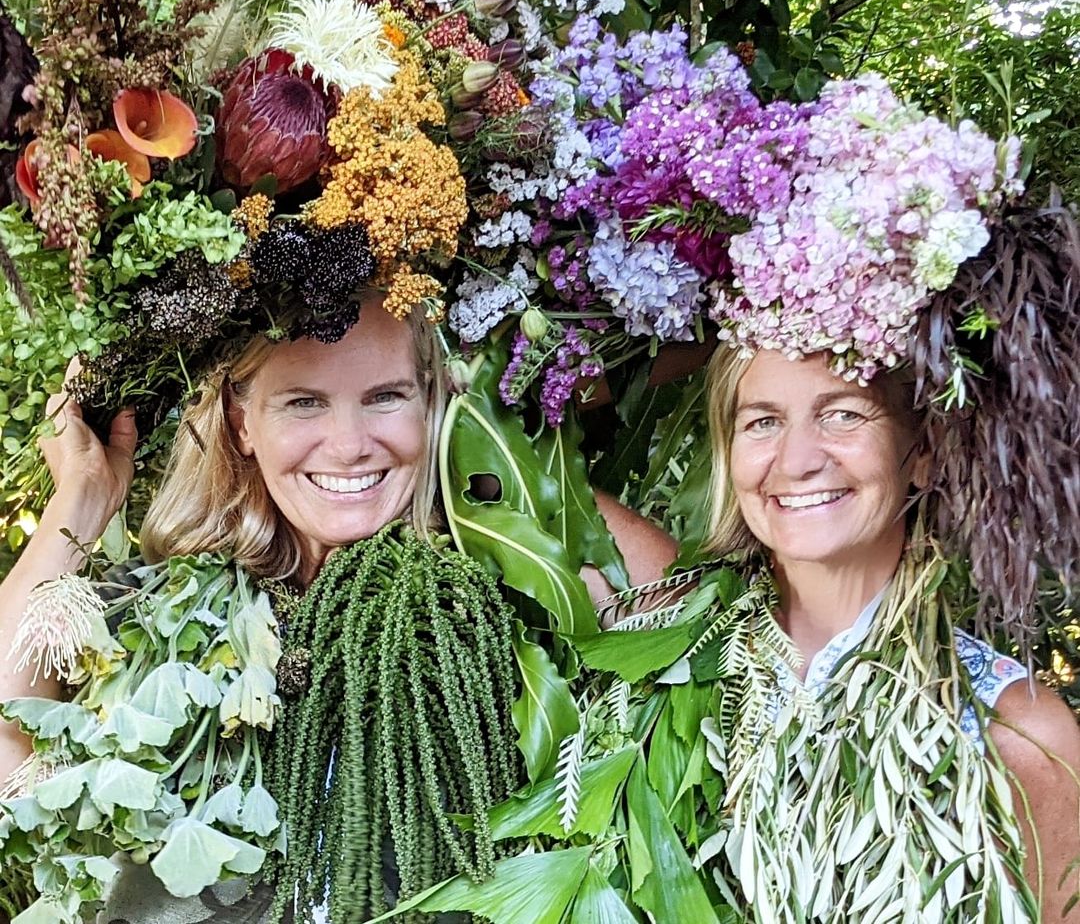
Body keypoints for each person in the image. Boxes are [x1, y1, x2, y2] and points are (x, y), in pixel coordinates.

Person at [0, 292, 675, 920]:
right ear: (241, 423)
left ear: (436, 402)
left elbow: (686, 614)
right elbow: (9, 756)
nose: (349, 445)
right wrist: (83, 494)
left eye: (386, 397)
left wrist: (505, 478)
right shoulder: (166, 614)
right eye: (303, 402)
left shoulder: (489, 605)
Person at [704, 343, 1080, 920]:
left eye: (844, 413)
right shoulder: (681, 654)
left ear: (924, 449)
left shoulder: (1016, 732)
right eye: (762, 422)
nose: (797, 460)